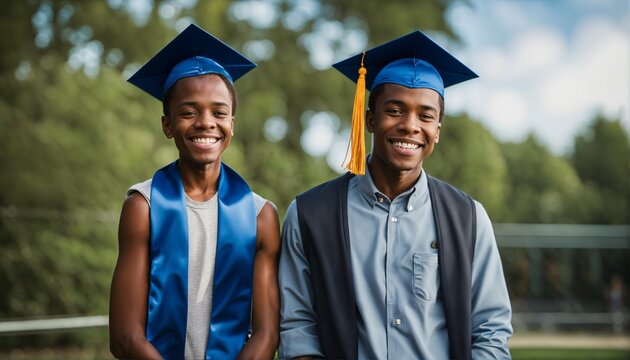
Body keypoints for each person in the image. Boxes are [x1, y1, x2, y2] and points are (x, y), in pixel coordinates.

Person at [279, 30, 512, 359]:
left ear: (438, 131)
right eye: (395, 110)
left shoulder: (468, 219)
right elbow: (297, 326)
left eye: (426, 116)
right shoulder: (309, 215)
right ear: (370, 120)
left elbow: (490, 328)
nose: (410, 126)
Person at [109, 24, 280, 360]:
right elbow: (125, 338)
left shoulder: (260, 216)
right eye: (188, 112)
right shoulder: (142, 207)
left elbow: (267, 333)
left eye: (219, 112)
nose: (205, 122)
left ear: (232, 123)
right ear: (168, 125)